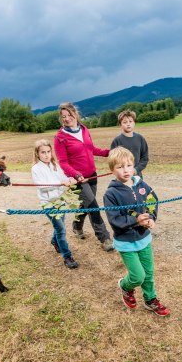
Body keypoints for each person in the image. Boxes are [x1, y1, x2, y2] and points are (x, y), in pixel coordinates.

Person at [103, 147, 169, 317]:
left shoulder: (141, 185)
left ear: (134, 167)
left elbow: (152, 200)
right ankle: (125, 287)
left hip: (144, 238)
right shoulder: (111, 193)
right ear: (112, 170)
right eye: (120, 167)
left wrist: (151, 217)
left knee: (148, 273)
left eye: (129, 165)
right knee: (137, 276)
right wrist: (136, 220)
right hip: (126, 242)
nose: (125, 170)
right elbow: (114, 220)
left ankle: (150, 299)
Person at [54, 102, 114, 252]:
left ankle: (76, 226)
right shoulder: (60, 137)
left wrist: (108, 152)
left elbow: (91, 149)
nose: (67, 119)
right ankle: (104, 238)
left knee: (86, 204)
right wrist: (76, 174)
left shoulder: (84, 129)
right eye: (63, 117)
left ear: (76, 114)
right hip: (77, 180)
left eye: (69, 115)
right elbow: (63, 162)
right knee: (93, 206)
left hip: (92, 175)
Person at [32, 139, 80, 269]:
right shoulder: (36, 169)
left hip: (60, 200)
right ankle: (67, 256)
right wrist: (60, 183)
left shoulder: (54, 165)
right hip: (48, 204)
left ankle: (55, 241)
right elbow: (42, 187)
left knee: (60, 227)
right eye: (43, 152)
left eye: (48, 151)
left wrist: (69, 180)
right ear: (37, 154)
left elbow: (62, 178)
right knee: (61, 229)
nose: (46, 155)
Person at [110, 109, 149, 177]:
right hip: (122, 177)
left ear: (134, 123)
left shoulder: (140, 138)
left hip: (137, 176)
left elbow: (145, 158)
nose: (128, 124)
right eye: (125, 122)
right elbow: (113, 161)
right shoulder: (117, 141)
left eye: (130, 121)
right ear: (120, 125)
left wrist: (136, 170)